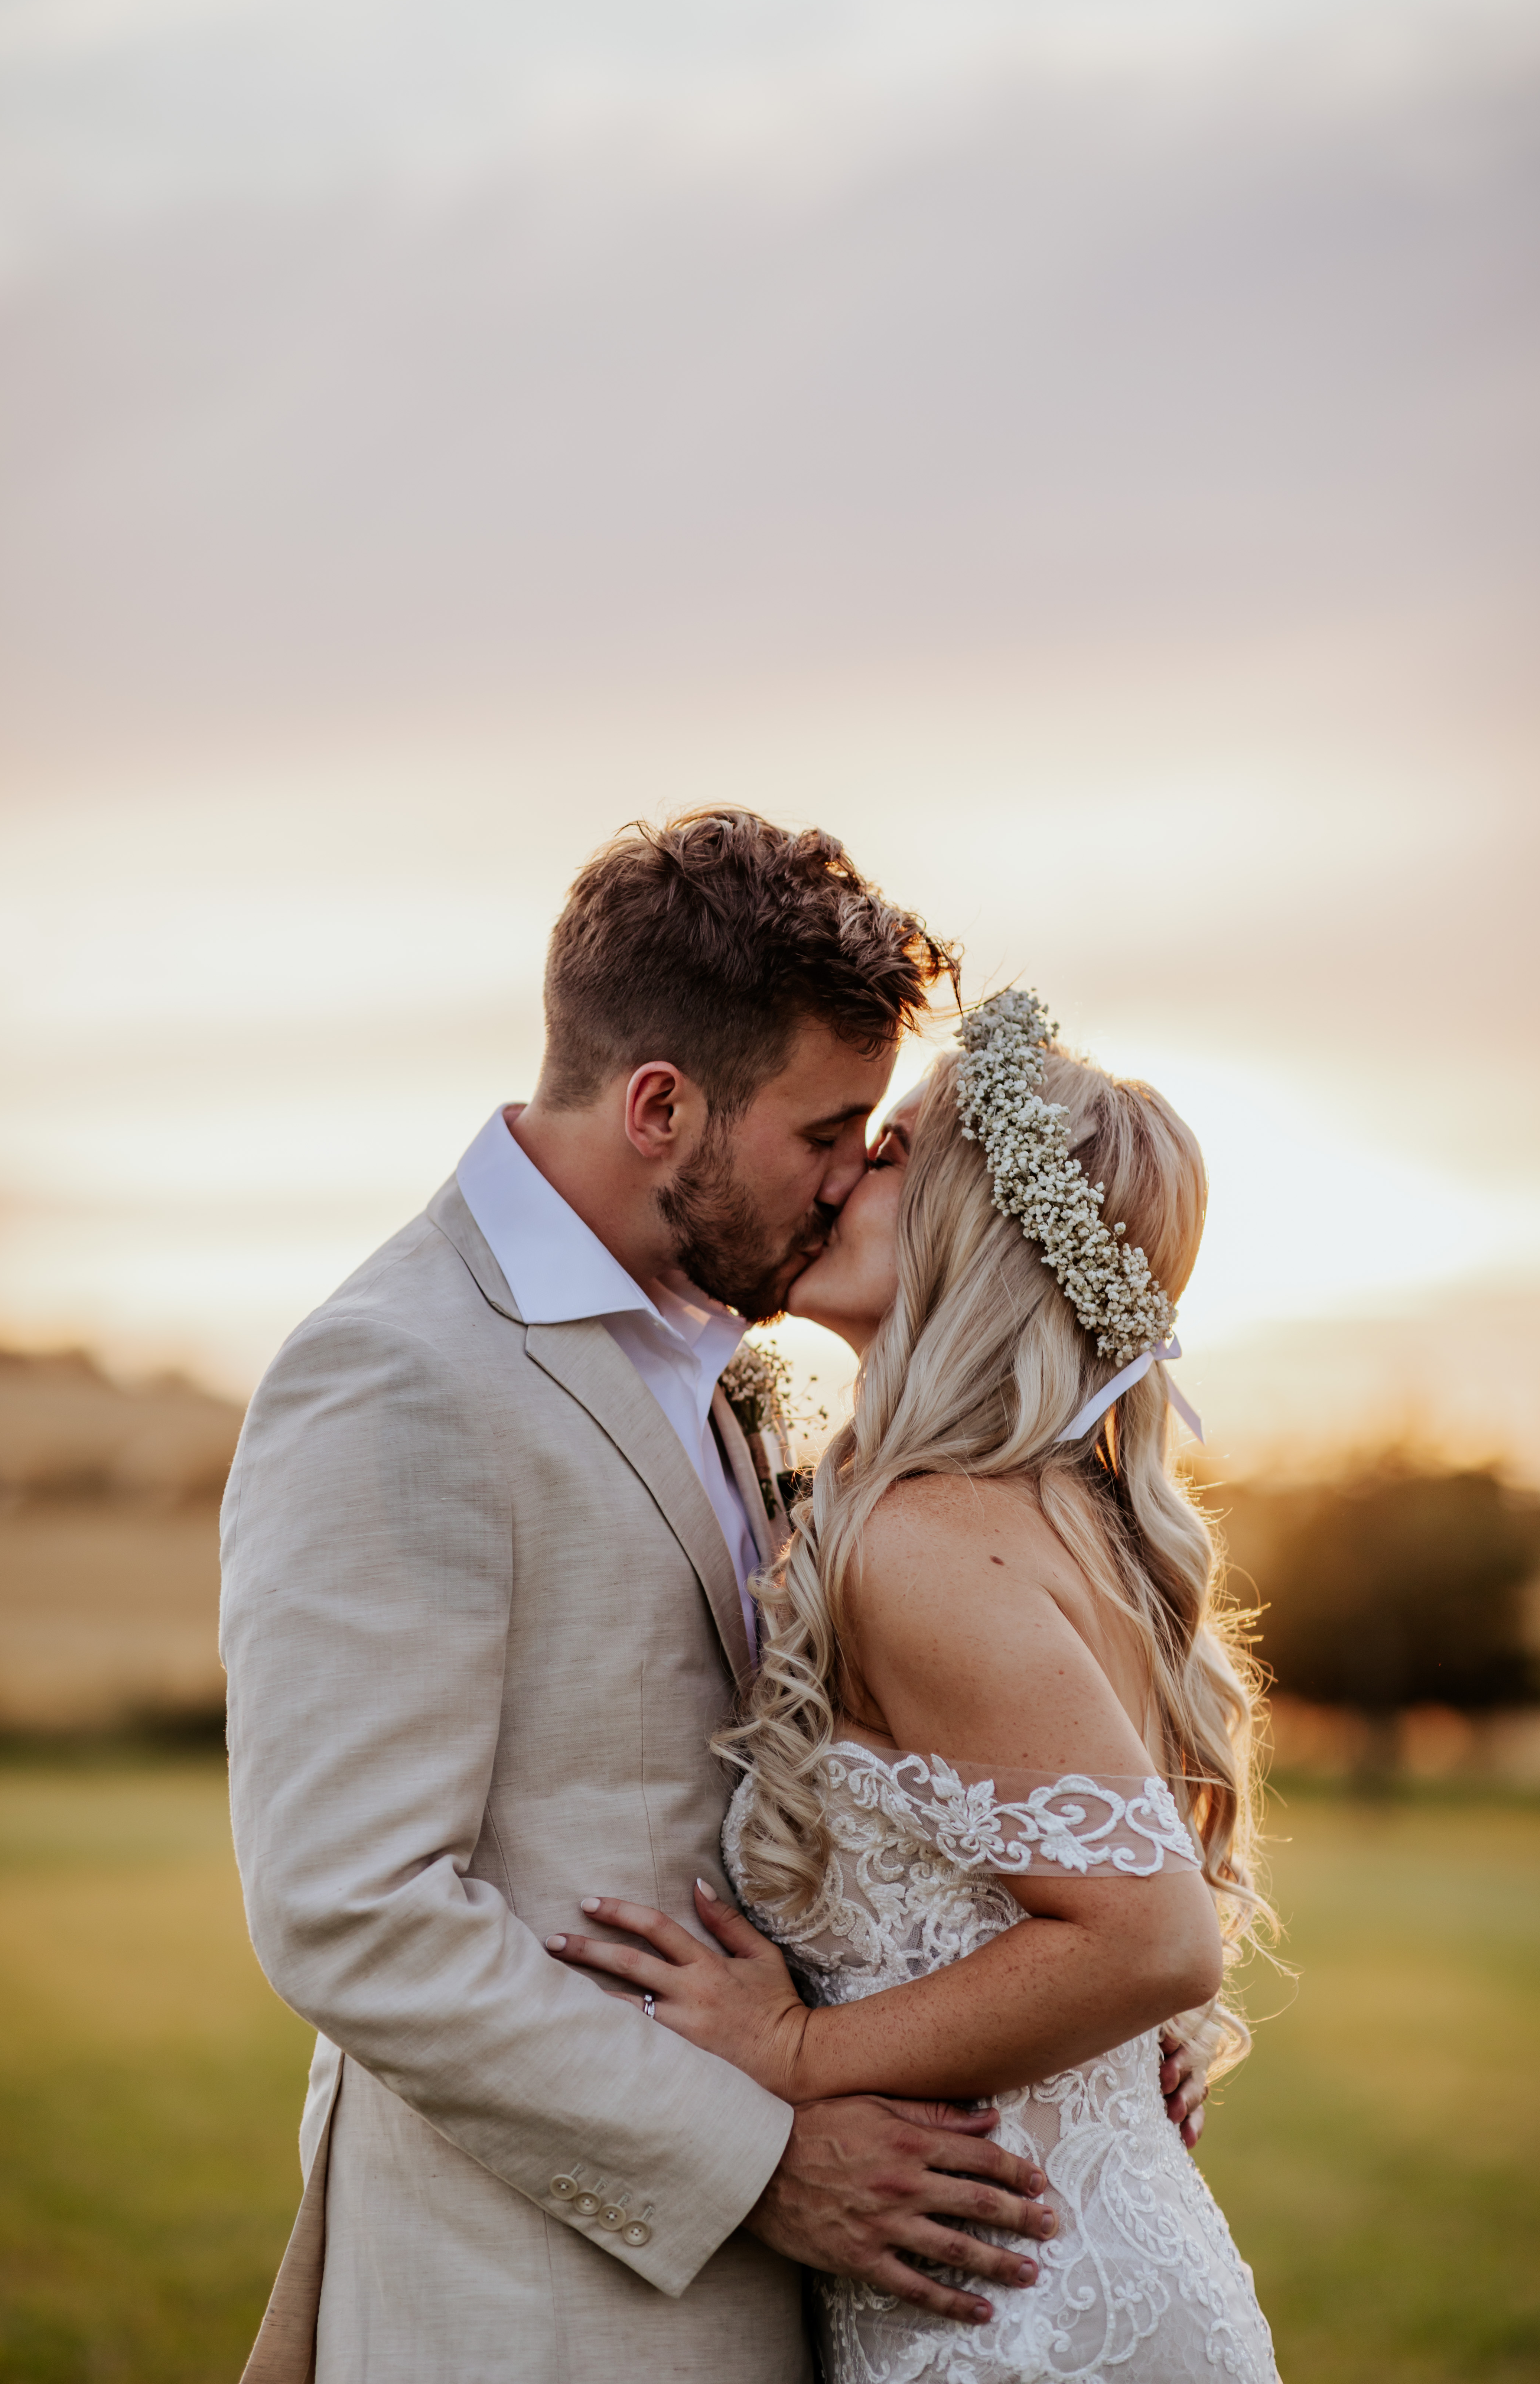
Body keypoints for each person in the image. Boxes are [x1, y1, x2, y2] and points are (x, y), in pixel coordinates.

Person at [223, 818, 1116, 2384]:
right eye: (828, 1131)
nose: (857, 1180)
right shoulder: (397, 1373)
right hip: (539, 2302)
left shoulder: (724, 1354)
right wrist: (756, 2158)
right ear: (659, 1108)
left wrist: (1098, 2035)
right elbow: (351, 1911)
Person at [545, 990, 1280, 2381]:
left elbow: (1152, 1942)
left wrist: (798, 2053)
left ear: (970, 1228)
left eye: (888, 1156)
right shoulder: (1066, 1514)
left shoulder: (923, 1535)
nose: (843, 1177)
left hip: (1022, 2311)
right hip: (1064, 2266)